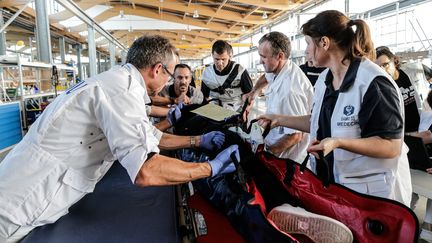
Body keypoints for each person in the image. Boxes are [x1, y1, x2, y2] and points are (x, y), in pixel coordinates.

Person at [0, 35, 239, 242]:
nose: (169, 83)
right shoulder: (121, 91)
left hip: (26, 188)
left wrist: (197, 141)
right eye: (169, 76)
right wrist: (210, 168)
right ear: (157, 69)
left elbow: (150, 135)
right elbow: (146, 171)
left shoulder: (118, 82)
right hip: (20, 203)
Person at [258, 10, 411, 206]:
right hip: (336, 187)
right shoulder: (325, 79)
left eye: (307, 44)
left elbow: (391, 146)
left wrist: (339, 142)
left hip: (373, 195)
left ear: (324, 43)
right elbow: (316, 121)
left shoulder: (374, 83)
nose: (305, 51)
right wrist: (278, 119)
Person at [242, 31, 314, 162]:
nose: (260, 61)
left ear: (279, 56)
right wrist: (253, 93)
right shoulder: (280, 68)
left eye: (263, 57)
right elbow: (266, 77)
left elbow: (296, 136)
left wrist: (267, 154)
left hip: (287, 159)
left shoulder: (289, 90)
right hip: (272, 139)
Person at [375, 46, 421, 133]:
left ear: (395, 61)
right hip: (402, 135)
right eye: (378, 67)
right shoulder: (380, 86)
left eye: (385, 65)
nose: (382, 70)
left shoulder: (410, 72)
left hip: (422, 127)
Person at [201, 40, 253, 111]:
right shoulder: (207, 73)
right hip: (214, 109)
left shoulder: (240, 71)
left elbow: (249, 94)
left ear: (229, 56)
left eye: (223, 59)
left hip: (235, 109)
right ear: (212, 55)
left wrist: (246, 110)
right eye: (217, 59)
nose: (220, 63)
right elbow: (204, 96)